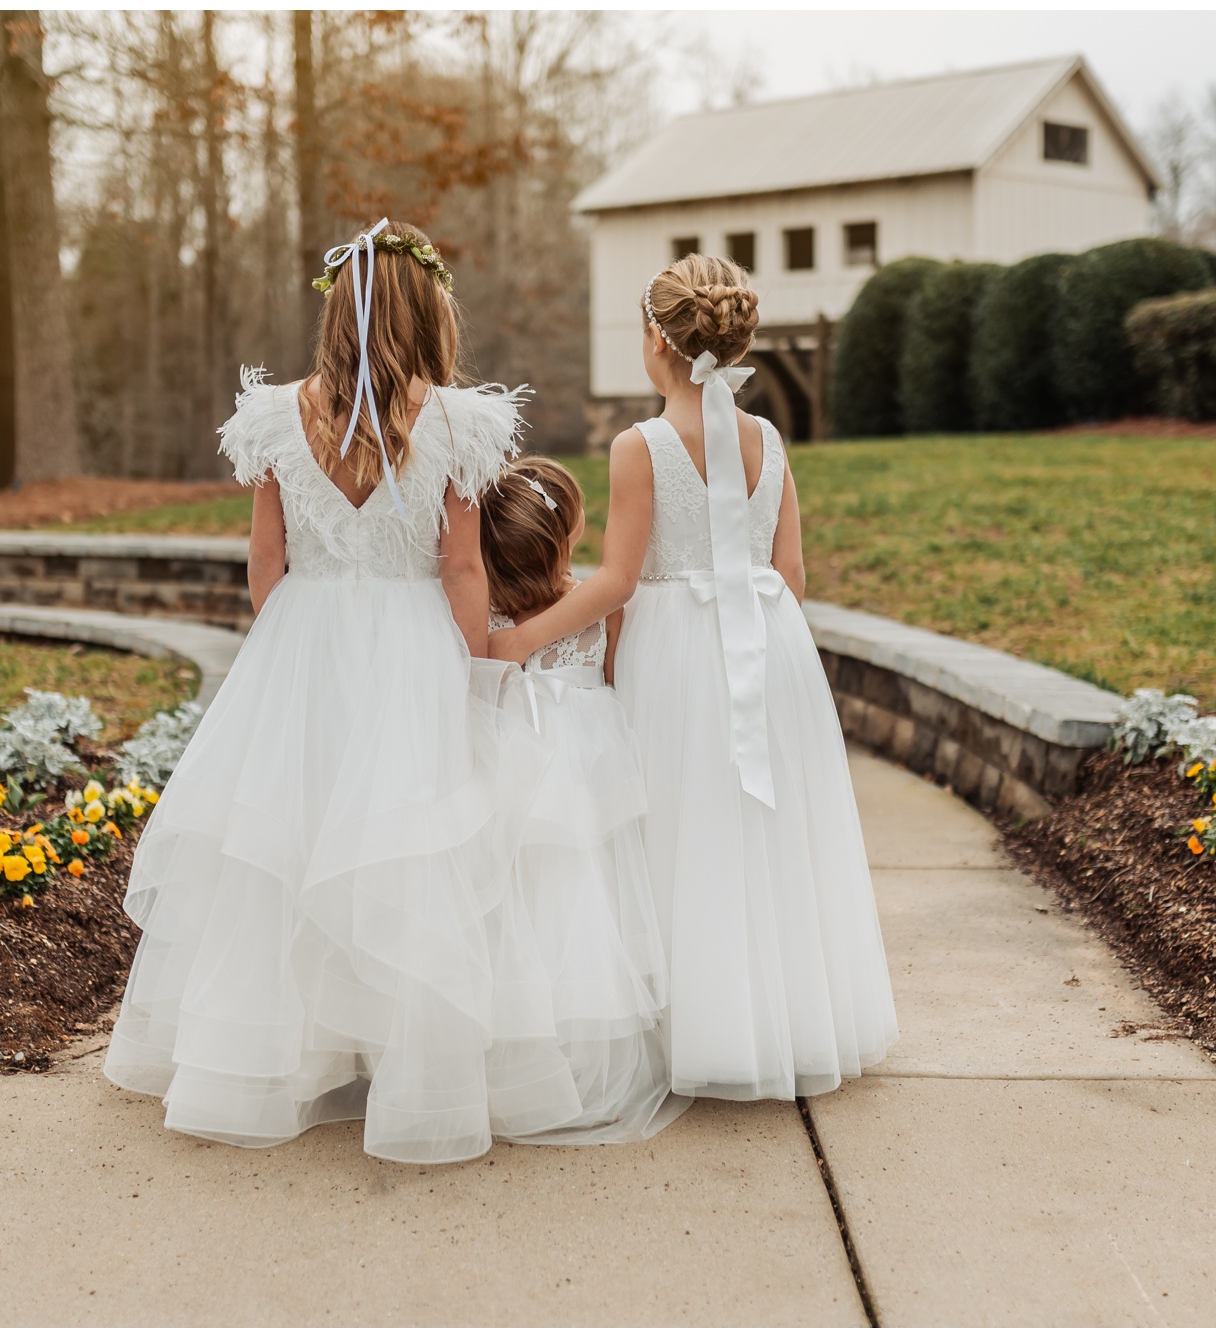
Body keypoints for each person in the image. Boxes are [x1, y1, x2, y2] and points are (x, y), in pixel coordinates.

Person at [105, 220, 588, 1164]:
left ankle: (274, 1060)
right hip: (413, 642)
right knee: (407, 845)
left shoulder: (278, 417)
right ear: (430, 314)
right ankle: (411, 1068)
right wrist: (474, 666)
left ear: (337, 310)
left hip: (304, 633)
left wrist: (289, 643)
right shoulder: (455, 423)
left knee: (292, 843)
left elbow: (264, 556)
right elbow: (458, 567)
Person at [490, 255, 898, 1101]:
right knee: (766, 828)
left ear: (654, 339)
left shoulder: (638, 446)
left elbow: (616, 581)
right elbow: (791, 573)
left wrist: (519, 640)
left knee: (680, 827)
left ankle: (693, 1025)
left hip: (678, 649)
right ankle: (782, 1017)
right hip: (769, 641)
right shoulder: (772, 440)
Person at [478, 458, 689, 1143]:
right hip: (588, 770)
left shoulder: (485, 620)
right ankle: (586, 1066)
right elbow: (621, 678)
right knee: (587, 903)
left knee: (513, 905)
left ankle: (508, 1061)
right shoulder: (603, 607)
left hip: (512, 767)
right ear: (566, 538)